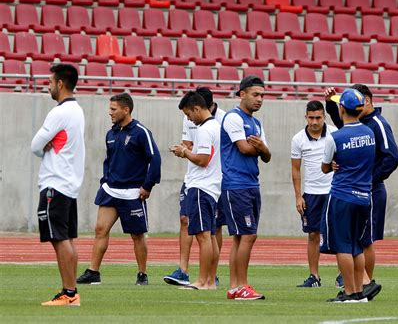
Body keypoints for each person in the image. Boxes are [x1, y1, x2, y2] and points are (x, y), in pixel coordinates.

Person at [324, 85, 398, 300]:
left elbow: (392, 157)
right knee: (361, 240)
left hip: (367, 188)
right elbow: (346, 127)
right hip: (363, 188)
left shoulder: (377, 124)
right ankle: (361, 284)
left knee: (362, 240)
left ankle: (365, 283)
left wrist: (370, 177)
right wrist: (331, 105)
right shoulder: (364, 126)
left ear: (367, 100)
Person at [76, 93, 161, 286]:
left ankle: (142, 274)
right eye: (110, 109)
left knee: (137, 235)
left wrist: (148, 185)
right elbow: (109, 160)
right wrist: (105, 180)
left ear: (126, 109)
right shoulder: (111, 134)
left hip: (132, 192)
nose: (110, 113)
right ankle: (93, 272)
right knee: (100, 229)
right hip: (110, 189)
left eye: (113, 109)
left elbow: (155, 158)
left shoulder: (141, 132)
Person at [31, 64, 85, 306]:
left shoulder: (59, 113)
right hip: (69, 184)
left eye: (50, 82)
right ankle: (72, 292)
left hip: (55, 183)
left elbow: (35, 145)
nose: (48, 86)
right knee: (66, 239)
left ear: (60, 84)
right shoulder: (77, 110)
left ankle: (69, 293)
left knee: (59, 239)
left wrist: (46, 145)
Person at [163, 87, 226, 286]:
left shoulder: (206, 129)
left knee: (203, 236)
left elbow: (203, 159)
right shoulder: (215, 126)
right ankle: (210, 281)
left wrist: (184, 152)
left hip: (201, 186)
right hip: (212, 186)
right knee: (211, 236)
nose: (189, 120)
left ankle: (202, 280)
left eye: (189, 114)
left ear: (197, 109)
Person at [320, 88, 376, 303]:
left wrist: (334, 165)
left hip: (342, 195)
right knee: (356, 246)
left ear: (341, 108)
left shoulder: (335, 137)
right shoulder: (369, 133)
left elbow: (325, 168)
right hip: (364, 196)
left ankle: (350, 292)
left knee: (342, 246)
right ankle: (360, 292)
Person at [221, 76, 271, 300]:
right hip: (236, 184)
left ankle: (234, 287)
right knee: (248, 235)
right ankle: (242, 285)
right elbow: (244, 148)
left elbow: (267, 155)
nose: (260, 99)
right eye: (255, 95)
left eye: (262, 95)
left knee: (241, 238)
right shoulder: (233, 118)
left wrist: (261, 147)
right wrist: (259, 148)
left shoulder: (257, 123)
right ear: (242, 94)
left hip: (251, 183)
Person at [291, 101, 337, 288]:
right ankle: (314, 276)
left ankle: (342, 274)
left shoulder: (334, 133)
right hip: (311, 194)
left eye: (318, 117)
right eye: (311, 118)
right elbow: (295, 170)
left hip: (334, 191)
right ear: (306, 117)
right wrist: (298, 196)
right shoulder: (298, 139)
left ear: (324, 117)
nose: (315, 122)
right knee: (313, 235)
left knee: (339, 234)